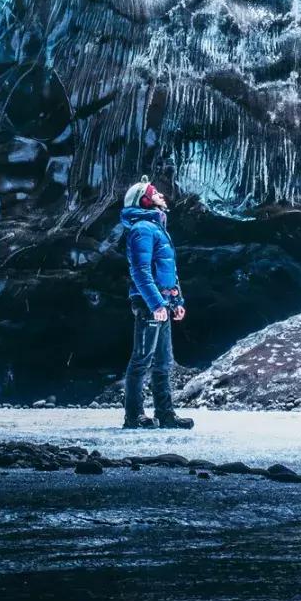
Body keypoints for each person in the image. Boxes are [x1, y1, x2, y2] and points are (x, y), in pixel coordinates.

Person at [120, 176, 194, 430]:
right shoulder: (142, 228)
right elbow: (140, 271)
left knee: (163, 362)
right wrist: (155, 304)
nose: (161, 194)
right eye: (155, 192)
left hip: (162, 302)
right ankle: (134, 416)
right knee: (142, 359)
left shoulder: (158, 228)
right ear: (144, 199)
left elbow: (167, 271)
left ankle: (166, 414)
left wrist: (176, 300)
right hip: (149, 303)